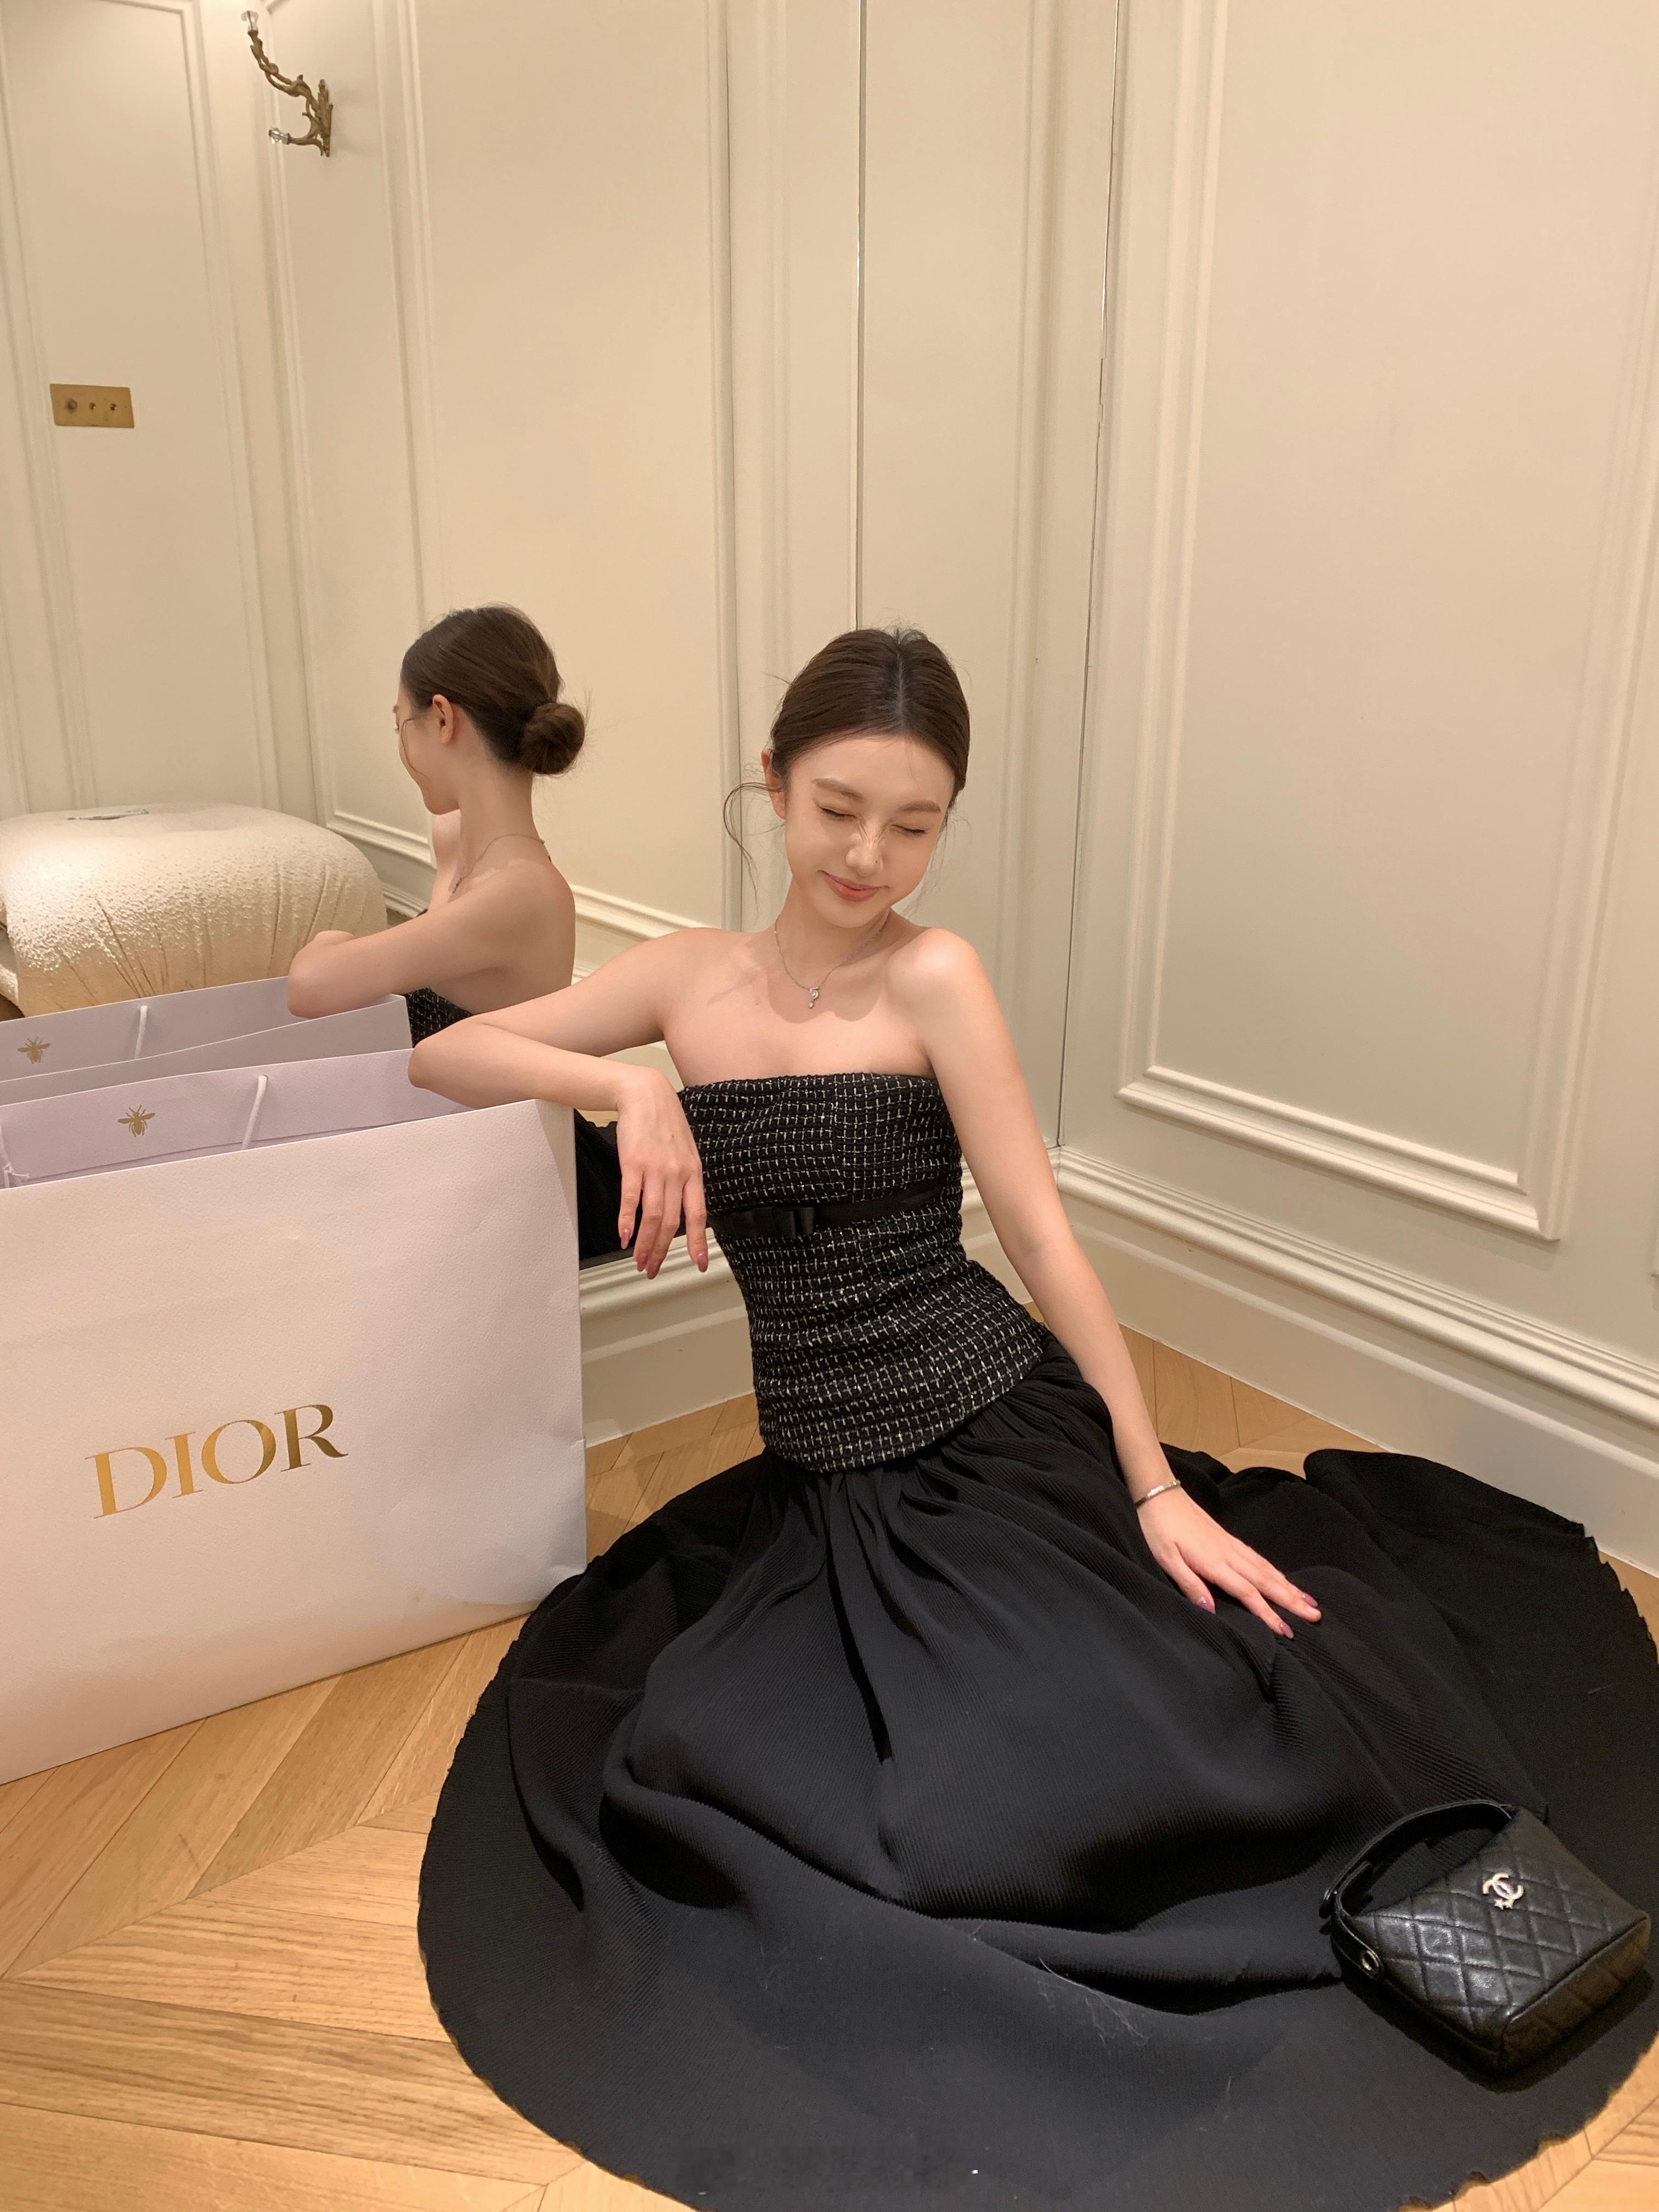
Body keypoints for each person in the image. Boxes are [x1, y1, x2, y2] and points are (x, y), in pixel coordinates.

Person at [408, 627, 1659, 2212]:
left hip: (988, 1425)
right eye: (839, 809)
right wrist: (625, 1088)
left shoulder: (934, 976)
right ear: (774, 783)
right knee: (788, 1785)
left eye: (915, 824)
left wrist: (1153, 1485)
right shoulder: (683, 979)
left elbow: (1045, 1243)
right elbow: (446, 1051)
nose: (869, 855)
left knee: (1134, 1741)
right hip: (827, 1483)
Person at [285, 603, 627, 1260]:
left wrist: (333, 940)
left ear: (442, 719)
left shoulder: (521, 894)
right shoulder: (469, 859)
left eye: (402, 725)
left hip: (536, 1189)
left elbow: (312, 987)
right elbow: (451, 844)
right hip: (464, 1166)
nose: (402, 750)